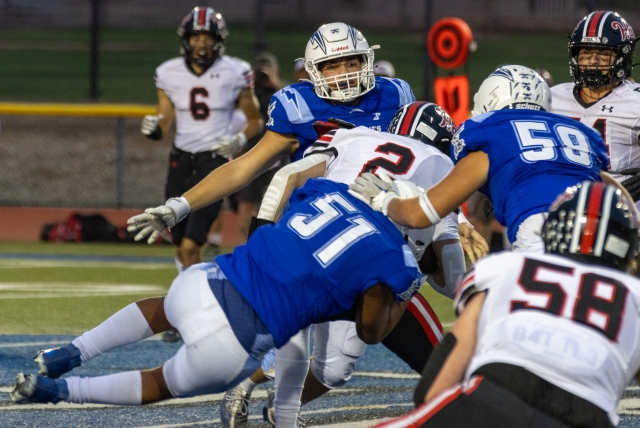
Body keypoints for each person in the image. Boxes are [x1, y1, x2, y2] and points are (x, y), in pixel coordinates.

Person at [127, 22, 485, 427]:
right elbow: (245, 168)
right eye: (332, 65)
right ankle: (252, 387)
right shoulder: (297, 104)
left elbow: (424, 166)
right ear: (312, 71)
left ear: (368, 61)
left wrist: (452, 215)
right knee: (270, 323)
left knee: (339, 364)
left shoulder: (394, 93)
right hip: (311, 231)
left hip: (379, 234)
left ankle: (270, 400)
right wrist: (180, 205)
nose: (344, 72)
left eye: (351, 61)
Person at [10, 177, 424, 410]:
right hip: (234, 340)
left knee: (162, 311)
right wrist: (405, 292)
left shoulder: (329, 191)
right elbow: (371, 331)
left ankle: (69, 353)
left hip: (206, 279)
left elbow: (294, 201)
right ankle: (59, 392)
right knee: (159, 383)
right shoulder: (394, 258)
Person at [255, 102, 466, 427]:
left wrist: (262, 231)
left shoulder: (356, 138)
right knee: (445, 367)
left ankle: (269, 402)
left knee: (320, 356)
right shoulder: (438, 164)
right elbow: (452, 278)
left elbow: (288, 176)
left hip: (314, 243)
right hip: (377, 266)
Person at [375, 181, 640, 428]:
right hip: (587, 417)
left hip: (495, 397)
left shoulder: (505, 267)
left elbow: (437, 384)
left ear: (553, 228)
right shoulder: (635, 295)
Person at [350, 64, 630, 252]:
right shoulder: (580, 132)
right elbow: (612, 190)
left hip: (542, 235)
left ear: (488, 102)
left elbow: (420, 214)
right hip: (602, 236)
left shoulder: (493, 134)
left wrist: (384, 199)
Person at [139, 6, 263, 273]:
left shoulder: (235, 71)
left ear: (219, 41)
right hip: (180, 161)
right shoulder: (168, 72)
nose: (202, 44)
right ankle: (188, 289)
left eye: (208, 38)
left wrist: (238, 140)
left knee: (190, 246)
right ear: (186, 39)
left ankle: (190, 300)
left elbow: (256, 121)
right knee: (179, 241)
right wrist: (152, 128)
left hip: (214, 163)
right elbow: (164, 120)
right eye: (196, 37)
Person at [550, 11, 640, 209]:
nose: (592, 60)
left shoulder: (635, 102)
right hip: (560, 209)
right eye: (585, 53)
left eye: (602, 54)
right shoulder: (551, 98)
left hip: (622, 213)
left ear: (623, 56)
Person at [233, 52, 286, 240]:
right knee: (245, 205)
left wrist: (275, 82)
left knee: (276, 205)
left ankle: (271, 247)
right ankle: (244, 248)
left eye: (268, 68)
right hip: (253, 155)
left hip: (278, 157)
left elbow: (297, 110)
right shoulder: (249, 93)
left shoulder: (283, 91)